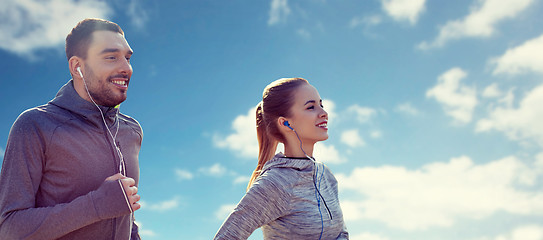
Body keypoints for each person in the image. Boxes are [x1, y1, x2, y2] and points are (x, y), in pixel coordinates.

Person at [0, 18, 142, 239]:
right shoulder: (35, 126)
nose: (126, 68)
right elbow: (9, 229)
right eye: (111, 57)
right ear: (78, 67)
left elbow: (125, 216)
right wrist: (96, 205)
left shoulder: (131, 130)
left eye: (127, 58)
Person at [214, 78, 349, 239]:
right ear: (285, 123)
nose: (323, 113)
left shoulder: (325, 175)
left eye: (321, 105)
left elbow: (341, 232)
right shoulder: (276, 182)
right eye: (311, 107)